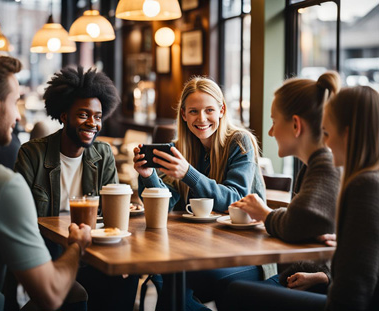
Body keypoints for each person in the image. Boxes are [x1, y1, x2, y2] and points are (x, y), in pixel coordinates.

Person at [227, 85, 379, 311]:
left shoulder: (364, 186)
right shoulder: (366, 180)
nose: (324, 144)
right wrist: (344, 252)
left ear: (347, 135)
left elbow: (353, 292)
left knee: (235, 294)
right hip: (329, 286)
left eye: (327, 133)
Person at [133, 76, 268, 310]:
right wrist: (148, 176)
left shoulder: (239, 142)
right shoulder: (180, 148)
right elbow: (166, 205)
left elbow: (236, 200)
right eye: (194, 111)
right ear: (183, 115)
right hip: (198, 250)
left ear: (222, 110)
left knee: (173, 282)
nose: (202, 118)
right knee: (167, 279)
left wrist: (188, 173)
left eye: (209, 110)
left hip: (246, 254)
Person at [15, 66, 138, 310]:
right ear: (63, 116)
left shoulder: (103, 155)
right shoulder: (33, 154)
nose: (93, 123)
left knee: (126, 276)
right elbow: (22, 221)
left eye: (98, 116)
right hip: (49, 256)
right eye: (84, 114)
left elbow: (111, 217)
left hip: (92, 253)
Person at [0, 47, 91, 310]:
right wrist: (77, 246)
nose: (18, 115)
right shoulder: (2, 186)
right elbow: (50, 294)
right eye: (15, 101)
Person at [229, 71, 341, 294]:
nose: (270, 131)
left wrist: (265, 213)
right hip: (308, 276)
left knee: (233, 293)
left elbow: (297, 223)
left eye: (273, 121)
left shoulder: (325, 166)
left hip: (322, 287)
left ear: (296, 125)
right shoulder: (315, 165)